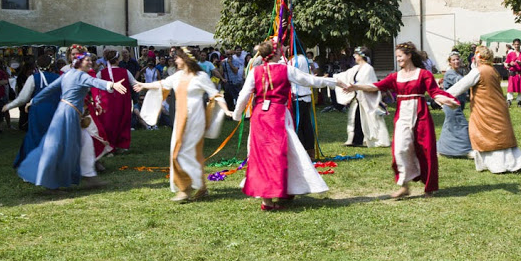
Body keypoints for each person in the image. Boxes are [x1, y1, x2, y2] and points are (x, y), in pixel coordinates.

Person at [233, 40, 344, 210]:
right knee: (285, 152)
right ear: (276, 53)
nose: (285, 49)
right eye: (281, 48)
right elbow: (310, 81)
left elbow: (243, 95)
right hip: (277, 116)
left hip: (260, 117)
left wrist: (236, 114)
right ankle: (275, 195)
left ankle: (281, 191)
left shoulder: (255, 71)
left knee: (264, 155)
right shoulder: (286, 69)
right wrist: (335, 82)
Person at [345, 42, 459, 198]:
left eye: (400, 56)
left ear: (409, 55)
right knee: (399, 148)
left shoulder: (423, 74)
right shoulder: (395, 76)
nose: (398, 59)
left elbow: (434, 91)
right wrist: (356, 87)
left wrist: (446, 100)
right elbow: (377, 86)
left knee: (426, 150)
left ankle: (430, 187)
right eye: (396, 56)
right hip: (402, 115)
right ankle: (404, 185)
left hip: (420, 115)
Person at [17, 53, 127, 189]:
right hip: (67, 115)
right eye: (87, 60)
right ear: (79, 63)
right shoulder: (79, 75)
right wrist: (111, 84)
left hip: (71, 114)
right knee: (61, 148)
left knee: (86, 142)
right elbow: (96, 82)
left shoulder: (68, 74)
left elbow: (49, 89)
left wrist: (34, 101)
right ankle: (51, 183)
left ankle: (90, 176)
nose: (90, 62)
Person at [134, 48, 231, 202]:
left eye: (177, 58)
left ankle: (186, 189)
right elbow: (162, 84)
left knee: (183, 153)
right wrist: (143, 85)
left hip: (195, 119)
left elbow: (215, 94)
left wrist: (226, 110)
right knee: (182, 153)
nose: (175, 60)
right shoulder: (177, 76)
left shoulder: (201, 76)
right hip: (180, 119)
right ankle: (200, 187)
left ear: (186, 59)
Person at [447, 46, 521, 173]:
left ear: (478, 58)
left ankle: (498, 166)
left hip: (485, 108)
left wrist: (441, 95)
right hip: (498, 106)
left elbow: (461, 85)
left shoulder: (478, 71)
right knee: (501, 136)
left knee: (485, 134)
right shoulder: (493, 70)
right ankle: (512, 163)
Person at [3, 55, 61, 167]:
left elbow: (23, 98)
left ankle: (30, 164)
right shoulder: (59, 78)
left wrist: (9, 106)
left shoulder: (34, 78)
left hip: (38, 110)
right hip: (55, 110)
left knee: (35, 136)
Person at [334, 46, 390, 148]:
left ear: (361, 56)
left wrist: (357, 88)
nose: (354, 56)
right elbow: (344, 76)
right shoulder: (356, 68)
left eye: (356, 54)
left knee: (366, 119)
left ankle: (365, 140)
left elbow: (370, 85)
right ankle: (355, 140)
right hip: (357, 98)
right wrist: (332, 78)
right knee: (355, 119)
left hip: (366, 99)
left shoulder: (368, 69)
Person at [96, 50, 138, 151]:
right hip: (122, 102)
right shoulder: (125, 72)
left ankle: (109, 145)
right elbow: (134, 83)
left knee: (108, 123)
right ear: (118, 60)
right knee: (123, 121)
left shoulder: (101, 73)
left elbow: (94, 84)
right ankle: (122, 145)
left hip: (107, 102)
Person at [437, 51, 473, 158]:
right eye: (454, 60)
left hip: (458, 104)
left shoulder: (460, 71)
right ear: (450, 62)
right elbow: (462, 82)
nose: (456, 61)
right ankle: (467, 150)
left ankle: (442, 149)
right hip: (451, 105)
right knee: (462, 125)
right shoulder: (450, 73)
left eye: (458, 59)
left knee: (448, 127)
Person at [506, 39, 521, 107]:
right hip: (513, 73)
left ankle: (519, 102)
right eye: (515, 44)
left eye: (518, 44)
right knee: (510, 87)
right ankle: (509, 100)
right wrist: (510, 64)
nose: (516, 46)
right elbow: (506, 63)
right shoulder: (510, 54)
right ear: (513, 45)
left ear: (520, 44)